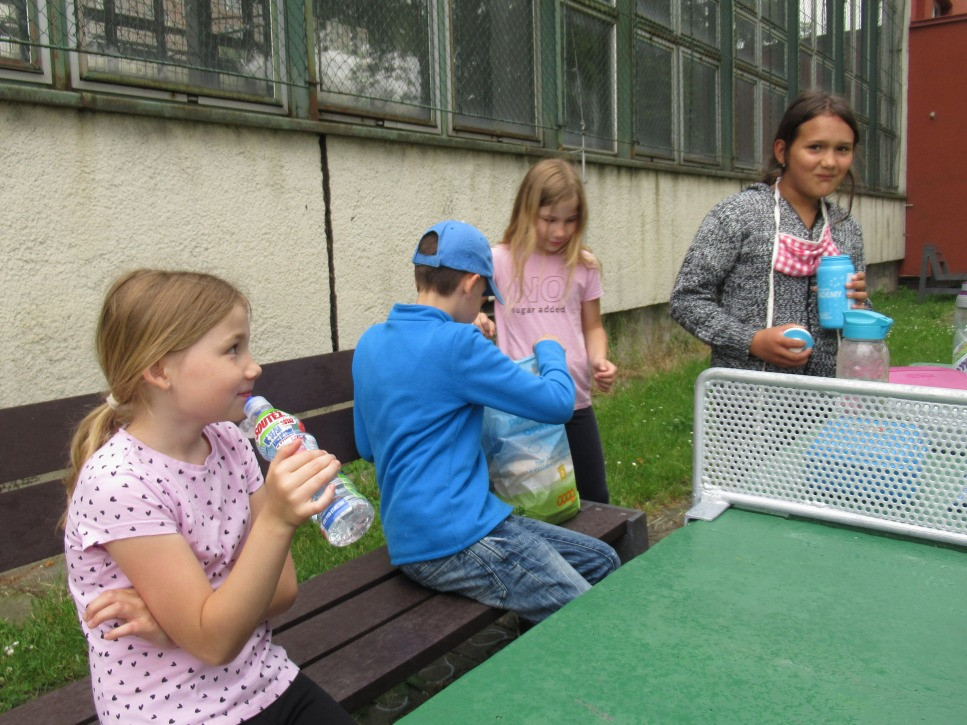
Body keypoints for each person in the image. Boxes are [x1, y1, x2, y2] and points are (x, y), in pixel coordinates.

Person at [63, 269, 354, 724]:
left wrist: (177, 623)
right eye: (233, 349)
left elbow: (282, 590)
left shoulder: (229, 441)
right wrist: (276, 520)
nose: (253, 366)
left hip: (261, 679)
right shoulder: (119, 482)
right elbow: (215, 642)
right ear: (159, 370)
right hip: (172, 711)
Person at [352, 220, 620, 625]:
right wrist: (550, 349)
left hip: (415, 537)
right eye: (484, 296)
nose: (483, 305)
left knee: (602, 559)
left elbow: (366, 447)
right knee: (588, 617)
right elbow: (559, 403)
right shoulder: (459, 345)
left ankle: (534, 653)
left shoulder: (371, 341)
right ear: (470, 284)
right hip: (457, 540)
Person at [669, 90, 869, 377]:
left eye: (842, 149)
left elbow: (855, 322)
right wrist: (750, 341)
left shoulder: (846, 228)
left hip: (826, 397)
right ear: (782, 151)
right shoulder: (738, 215)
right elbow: (686, 299)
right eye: (815, 147)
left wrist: (859, 305)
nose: (830, 162)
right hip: (748, 398)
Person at [475, 158, 617, 504]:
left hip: (573, 401)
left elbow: (593, 326)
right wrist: (476, 317)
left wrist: (599, 359)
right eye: (550, 219)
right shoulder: (498, 260)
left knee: (596, 500)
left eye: (570, 220)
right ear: (526, 211)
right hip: (519, 408)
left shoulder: (583, 264)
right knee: (530, 504)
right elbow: (461, 304)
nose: (560, 231)